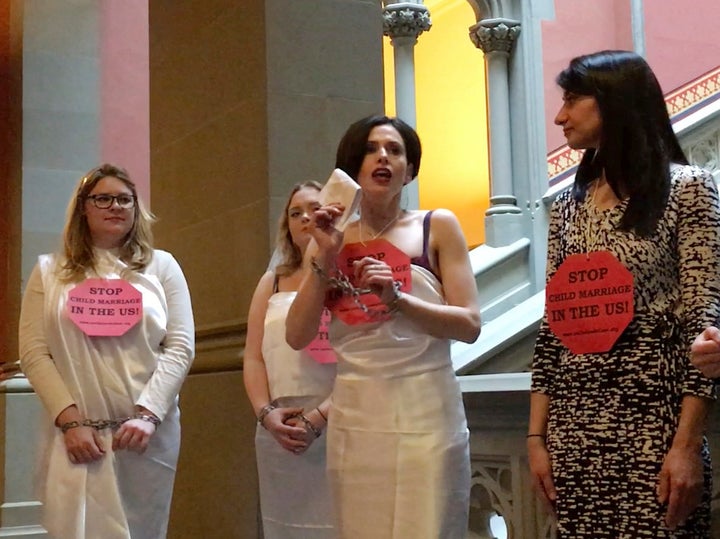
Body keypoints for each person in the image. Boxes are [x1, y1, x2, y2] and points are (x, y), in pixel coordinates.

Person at [528, 50, 720, 537]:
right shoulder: (568, 208)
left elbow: (706, 320)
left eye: (572, 99)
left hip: (653, 425)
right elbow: (555, 328)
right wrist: (536, 437)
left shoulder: (688, 190)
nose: (560, 115)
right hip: (574, 430)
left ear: (614, 102)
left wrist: (685, 445)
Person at [285, 115, 481, 538]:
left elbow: (469, 325)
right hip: (357, 411)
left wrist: (398, 300)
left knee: (427, 523)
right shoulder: (328, 237)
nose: (383, 158)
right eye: (372, 149)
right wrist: (325, 254)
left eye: (395, 151)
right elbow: (296, 335)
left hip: (426, 405)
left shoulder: (438, 225)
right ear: (352, 166)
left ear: (410, 170)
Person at [19, 163, 195, 539]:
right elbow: (34, 352)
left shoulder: (161, 266)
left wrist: (148, 414)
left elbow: (180, 346)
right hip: (75, 437)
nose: (116, 206)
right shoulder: (50, 272)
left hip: (144, 436)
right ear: (83, 207)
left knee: (142, 530)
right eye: (103, 198)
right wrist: (70, 422)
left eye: (125, 200)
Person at [243, 181, 337, 538]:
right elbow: (253, 356)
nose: (304, 218)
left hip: (337, 417)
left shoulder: (344, 277)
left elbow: (362, 357)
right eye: (295, 213)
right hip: (281, 428)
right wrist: (266, 413)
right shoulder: (273, 282)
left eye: (313, 208)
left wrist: (321, 415)